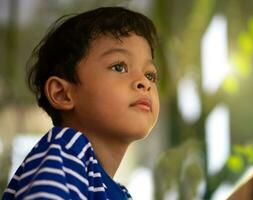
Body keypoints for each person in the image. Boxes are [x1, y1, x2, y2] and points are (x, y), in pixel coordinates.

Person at [2, 6, 159, 200]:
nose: (144, 82)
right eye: (119, 67)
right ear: (62, 94)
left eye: (150, 74)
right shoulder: (66, 151)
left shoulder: (116, 192)